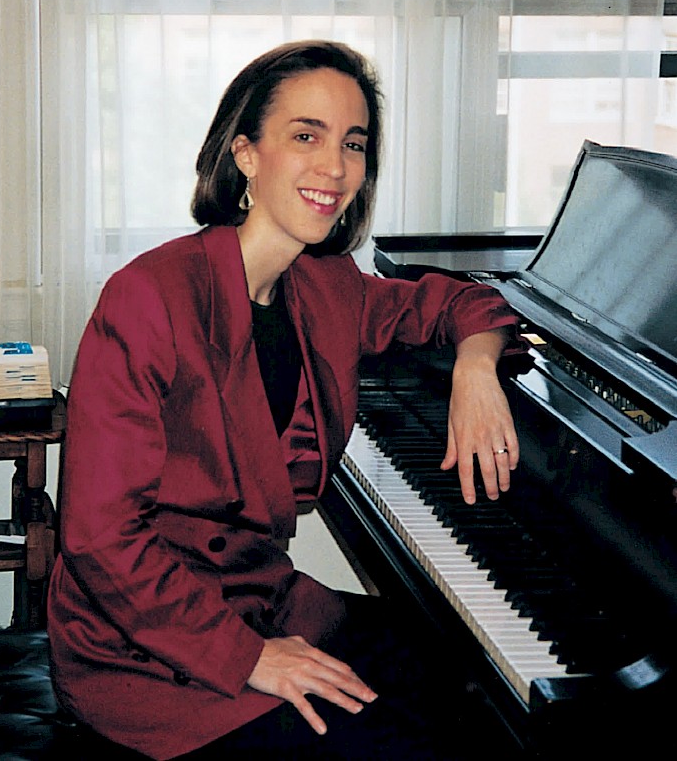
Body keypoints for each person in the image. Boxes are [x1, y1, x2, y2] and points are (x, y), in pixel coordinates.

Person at [47, 40, 526, 761]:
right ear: (245, 153)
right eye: (307, 136)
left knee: (471, 690)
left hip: (260, 599)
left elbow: (463, 302)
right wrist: (250, 658)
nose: (335, 168)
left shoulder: (327, 286)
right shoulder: (150, 297)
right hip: (144, 647)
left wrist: (477, 369)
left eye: (354, 144)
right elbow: (99, 539)